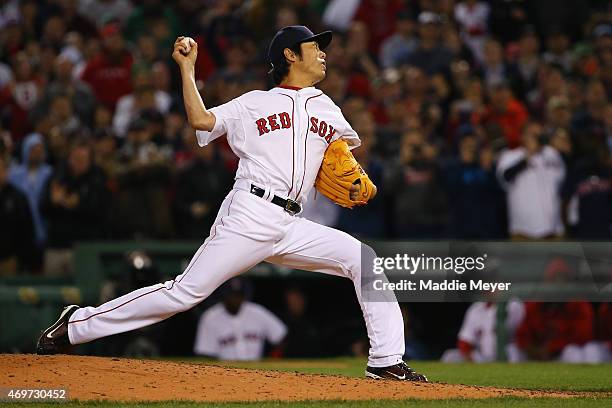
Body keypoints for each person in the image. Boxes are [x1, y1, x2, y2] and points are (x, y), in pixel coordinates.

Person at [36, 25, 427, 382]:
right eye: (314, 46)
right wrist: (188, 69)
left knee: (364, 259)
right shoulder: (254, 102)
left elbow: (340, 159)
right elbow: (202, 121)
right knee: (185, 292)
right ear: (290, 55)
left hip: (293, 222)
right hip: (250, 213)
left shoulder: (327, 107)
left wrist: (352, 176)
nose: (323, 53)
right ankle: (76, 324)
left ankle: (385, 361)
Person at [193, 278, 286, 360]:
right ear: (224, 296)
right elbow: (205, 354)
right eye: (232, 295)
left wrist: (273, 360)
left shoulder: (257, 312)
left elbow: (280, 335)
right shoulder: (210, 317)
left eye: (239, 295)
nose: (236, 299)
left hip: (256, 371)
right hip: (225, 373)